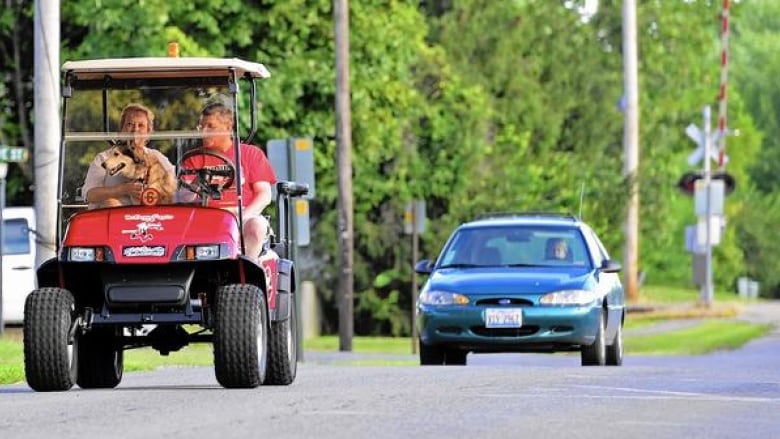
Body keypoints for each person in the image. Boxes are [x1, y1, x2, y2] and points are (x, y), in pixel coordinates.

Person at [182, 101, 277, 260]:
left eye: (210, 127)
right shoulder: (194, 159)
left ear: (227, 127)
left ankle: (246, 274)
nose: (204, 132)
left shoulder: (250, 154)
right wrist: (198, 183)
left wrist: (240, 217)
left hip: (243, 215)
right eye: (201, 126)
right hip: (204, 217)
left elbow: (264, 195)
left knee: (256, 227)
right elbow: (183, 198)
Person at [82, 103, 175, 209]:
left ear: (148, 133)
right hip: (111, 220)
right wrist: (123, 189)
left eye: (141, 125)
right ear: (121, 130)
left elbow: (172, 192)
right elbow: (90, 195)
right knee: (110, 203)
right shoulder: (103, 158)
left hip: (149, 219)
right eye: (130, 124)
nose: (135, 130)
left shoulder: (158, 158)